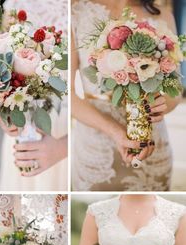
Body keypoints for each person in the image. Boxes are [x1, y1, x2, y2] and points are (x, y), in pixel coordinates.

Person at [71, 0, 181, 191]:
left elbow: (176, 88)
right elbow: (68, 96)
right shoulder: (77, 11)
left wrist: (164, 103)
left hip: (150, 142)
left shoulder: (163, 14)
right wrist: (115, 131)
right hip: (96, 148)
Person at [0, 0, 68, 190]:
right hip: (25, 126)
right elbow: (3, 65)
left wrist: (63, 147)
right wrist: (4, 109)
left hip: (73, 128)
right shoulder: (16, 3)